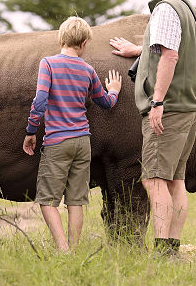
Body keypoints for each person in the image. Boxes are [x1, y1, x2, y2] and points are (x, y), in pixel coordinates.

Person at [110, 0, 196, 255]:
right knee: (175, 180)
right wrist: (139, 50)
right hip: (189, 107)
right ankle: (171, 248)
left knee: (154, 179)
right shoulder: (189, 11)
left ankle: (163, 249)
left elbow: (171, 55)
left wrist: (158, 101)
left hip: (170, 106)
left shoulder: (164, 8)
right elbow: (178, 46)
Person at [23, 16, 122, 251]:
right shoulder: (88, 70)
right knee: (76, 201)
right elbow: (106, 103)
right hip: (82, 142)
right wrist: (115, 91)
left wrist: (31, 130)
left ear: (61, 38)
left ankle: (63, 249)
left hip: (58, 141)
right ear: (85, 42)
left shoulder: (48, 64)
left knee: (47, 200)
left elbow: (40, 101)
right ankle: (74, 250)